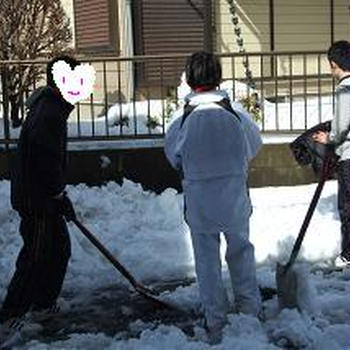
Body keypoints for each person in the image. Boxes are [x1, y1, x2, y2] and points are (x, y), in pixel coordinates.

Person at [164, 51, 262, 344]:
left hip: (200, 198)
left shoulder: (182, 119)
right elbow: (254, 145)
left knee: (207, 260)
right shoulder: (236, 114)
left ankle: (215, 319)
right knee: (241, 251)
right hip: (233, 194)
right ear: (218, 77)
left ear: (190, 80)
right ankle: (249, 309)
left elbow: (173, 156)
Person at [0, 56, 78, 338]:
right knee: (36, 256)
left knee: (58, 250)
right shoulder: (49, 113)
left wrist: (58, 194)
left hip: (41, 195)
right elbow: (46, 159)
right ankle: (11, 315)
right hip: (37, 199)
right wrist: (58, 193)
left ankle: (43, 305)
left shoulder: (50, 107)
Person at [313, 40, 350, 268]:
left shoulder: (345, 89)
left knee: (347, 207)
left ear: (334, 64)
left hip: (349, 156)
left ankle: (348, 254)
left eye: (331, 66)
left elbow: (342, 124)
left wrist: (330, 138)